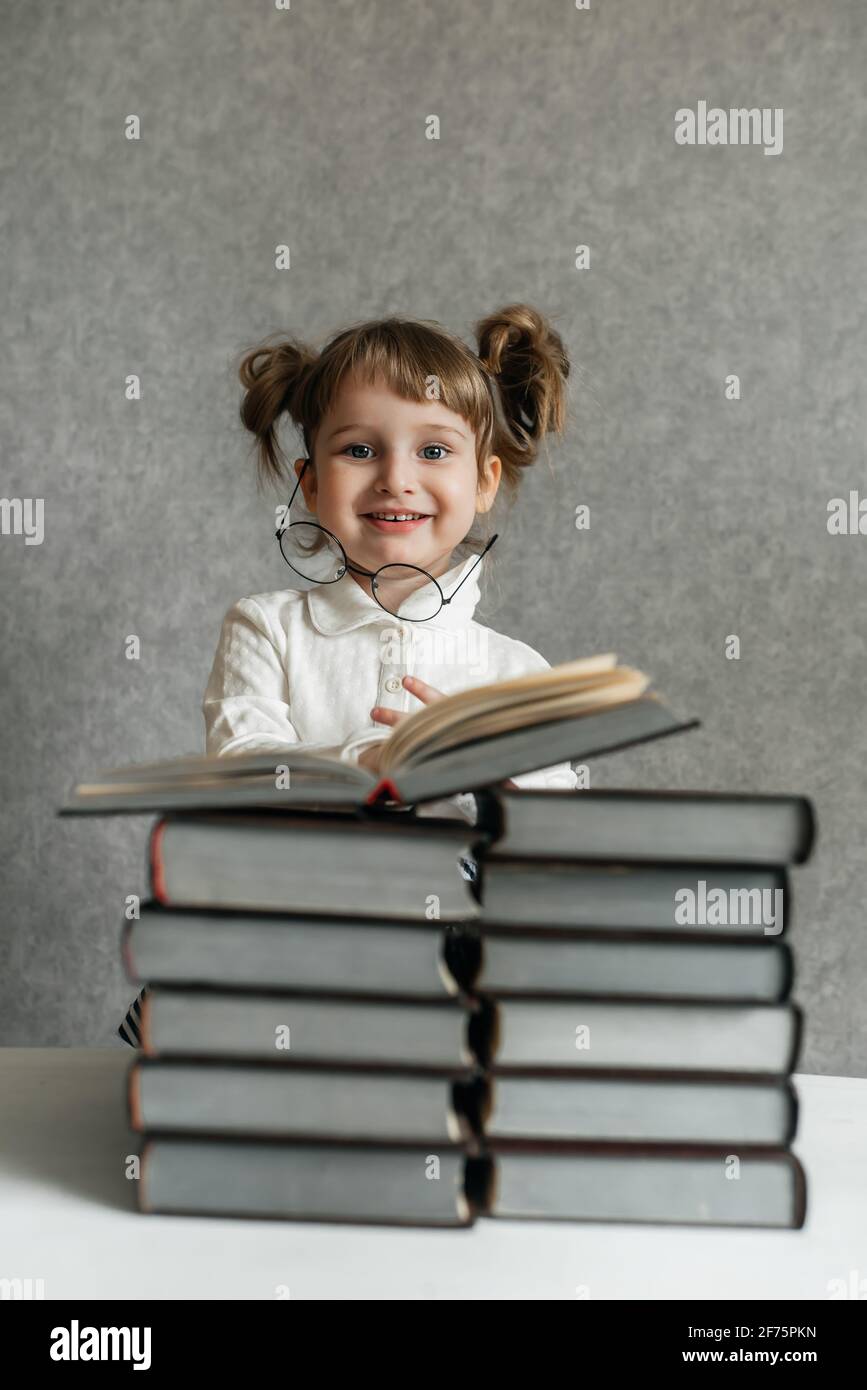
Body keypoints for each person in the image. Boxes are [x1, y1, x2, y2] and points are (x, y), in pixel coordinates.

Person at [118, 303, 578, 1047]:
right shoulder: (267, 626)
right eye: (359, 450)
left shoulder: (514, 671)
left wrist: (490, 782)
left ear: (484, 480)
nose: (396, 480)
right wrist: (359, 765)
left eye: (433, 453)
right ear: (309, 481)